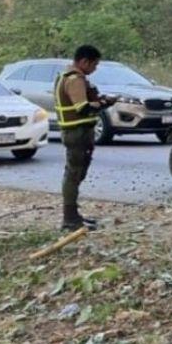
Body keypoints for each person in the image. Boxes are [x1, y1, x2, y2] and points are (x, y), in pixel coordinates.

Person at [54, 45, 114, 231]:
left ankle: (73, 215)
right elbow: (82, 107)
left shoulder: (69, 77)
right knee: (74, 174)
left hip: (78, 132)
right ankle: (70, 218)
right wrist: (104, 103)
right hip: (76, 132)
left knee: (77, 173)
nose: (94, 69)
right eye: (94, 64)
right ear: (84, 61)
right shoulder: (75, 79)